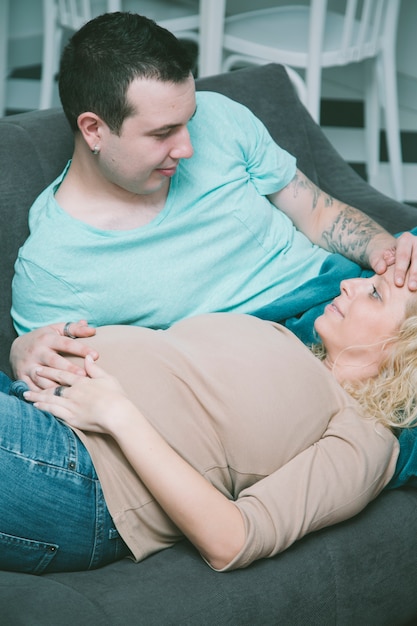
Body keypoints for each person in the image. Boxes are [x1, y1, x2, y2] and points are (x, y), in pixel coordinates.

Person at [10, 11, 417, 391]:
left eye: (189, 119)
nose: (187, 147)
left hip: (347, 288)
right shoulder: (54, 266)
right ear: (93, 130)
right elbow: (63, 382)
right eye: (163, 133)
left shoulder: (220, 117)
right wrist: (20, 352)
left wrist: (387, 252)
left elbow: (317, 211)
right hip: (275, 355)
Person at [2, 266, 417, 574]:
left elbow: (231, 540)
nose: (351, 283)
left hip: (86, 474)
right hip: (38, 405)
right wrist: (25, 349)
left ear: (407, 348)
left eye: (375, 294)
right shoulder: (292, 342)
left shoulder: (367, 436)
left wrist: (118, 415)